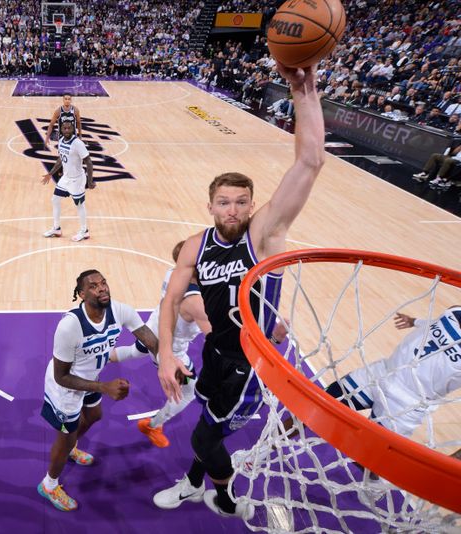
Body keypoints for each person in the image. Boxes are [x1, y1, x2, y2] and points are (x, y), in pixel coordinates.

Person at [154, 63, 325, 520]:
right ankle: (194, 484)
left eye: (242, 202)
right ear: (210, 205)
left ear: (253, 205)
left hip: (251, 362)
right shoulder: (195, 245)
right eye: (224, 202)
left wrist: (302, 91)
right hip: (215, 352)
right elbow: (171, 300)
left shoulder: (264, 235)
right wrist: (166, 353)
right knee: (207, 425)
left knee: (204, 439)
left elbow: (309, 163)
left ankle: (225, 498)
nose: (233, 210)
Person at [38, 269, 159, 511]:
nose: (102, 288)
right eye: (93, 286)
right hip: (67, 387)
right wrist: (103, 387)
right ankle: (49, 485)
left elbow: (150, 339)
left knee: (94, 415)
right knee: (66, 437)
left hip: (91, 376)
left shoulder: (120, 310)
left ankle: (70, 448)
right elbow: (61, 376)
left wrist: (165, 365)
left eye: (103, 283)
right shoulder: (69, 326)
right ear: (82, 294)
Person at [282, 308, 461, 461]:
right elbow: (434, 323)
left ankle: (376, 487)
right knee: (312, 407)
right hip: (381, 373)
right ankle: (264, 448)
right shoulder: (454, 311)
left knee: (369, 460)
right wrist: (414, 321)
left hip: (408, 403)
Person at [111, 241, 211, 448]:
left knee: (132, 351)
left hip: (151, 330)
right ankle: (153, 425)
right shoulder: (196, 303)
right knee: (188, 393)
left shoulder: (172, 273)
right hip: (169, 351)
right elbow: (217, 337)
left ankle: (95, 356)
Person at [40, 120, 94, 242]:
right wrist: (50, 173)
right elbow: (60, 159)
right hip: (66, 178)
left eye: (69, 128)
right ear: (61, 130)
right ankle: (56, 228)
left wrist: (90, 182)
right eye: (64, 128)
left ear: (73, 129)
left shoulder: (78, 143)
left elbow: (89, 163)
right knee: (55, 199)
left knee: (79, 204)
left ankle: (84, 231)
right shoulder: (61, 141)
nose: (67, 131)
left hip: (77, 179)